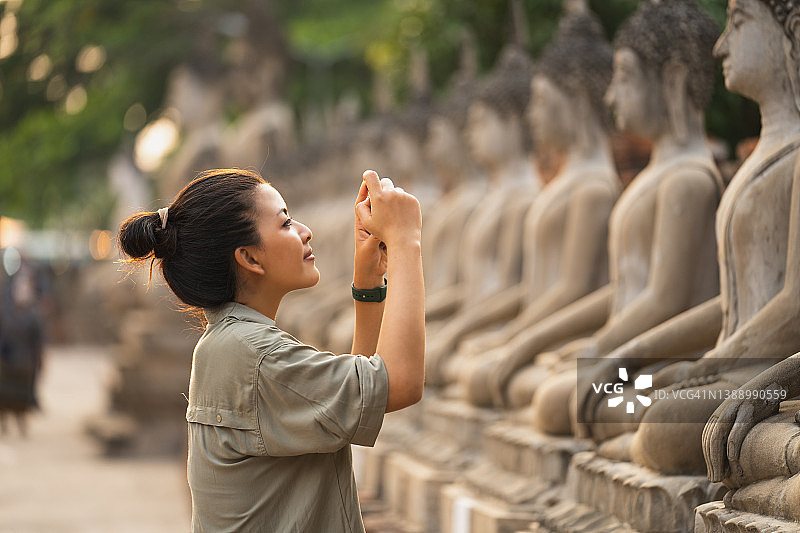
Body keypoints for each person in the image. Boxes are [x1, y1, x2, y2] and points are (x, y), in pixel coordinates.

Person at [117, 168, 424, 532]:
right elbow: (400, 382)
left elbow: (351, 405)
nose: (305, 231)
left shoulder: (233, 344)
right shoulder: (254, 356)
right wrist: (406, 240)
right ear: (250, 258)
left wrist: (368, 283)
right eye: (285, 223)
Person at [0, 266, 44, 438]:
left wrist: (40, 361)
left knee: (22, 398)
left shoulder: (33, 315)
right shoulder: (4, 312)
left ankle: (22, 425)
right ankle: (3, 422)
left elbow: (38, 341)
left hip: (25, 363)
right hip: (5, 362)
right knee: (3, 396)